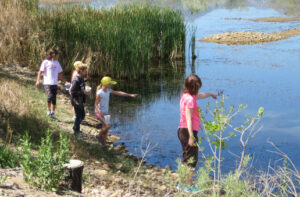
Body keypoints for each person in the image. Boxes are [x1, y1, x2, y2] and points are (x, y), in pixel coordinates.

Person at [177, 74, 217, 188]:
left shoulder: (186, 95)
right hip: (187, 132)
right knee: (191, 160)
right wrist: (191, 136)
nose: (198, 90)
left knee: (186, 158)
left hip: (182, 130)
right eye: (197, 87)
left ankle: (182, 183)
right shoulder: (189, 100)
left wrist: (210, 94)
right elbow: (188, 119)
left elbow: (199, 96)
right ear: (194, 88)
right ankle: (188, 186)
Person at [94, 76, 137, 145]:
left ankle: (103, 144)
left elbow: (119, 92)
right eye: (110, 84)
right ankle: (98, 136)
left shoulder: (108, 90)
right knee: (107, 126)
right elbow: (95, 104)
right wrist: (99, 112)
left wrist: (129, 95)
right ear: (106, 84)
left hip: (106, 112)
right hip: (99, 112)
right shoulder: (100, 93)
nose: (111, 85)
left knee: (106, 129)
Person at [35, 48, 68, 119]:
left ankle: (53, 113)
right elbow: (40, 71)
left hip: (54, 83)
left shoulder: (57, 63)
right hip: (47, 82)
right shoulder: (45, 62)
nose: (58, 56)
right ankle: (48, 110)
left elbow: (59, 74)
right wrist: (38, 80)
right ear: (53, 55)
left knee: (54, 98)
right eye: (57, 55)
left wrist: (65, 81)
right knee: (49, 96)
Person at [70, 62, 89, 135]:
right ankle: (76, 129)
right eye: (84, 70)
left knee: (82, 115)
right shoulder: (76, 79)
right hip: (76, 100)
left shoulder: (80, 78)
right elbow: (72, 91)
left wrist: (84, 92)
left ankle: (76, 128)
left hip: (80, 100)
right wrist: (83, 92)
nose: (85, 72)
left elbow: (81, 87)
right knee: (79, 115)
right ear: (81, 70)